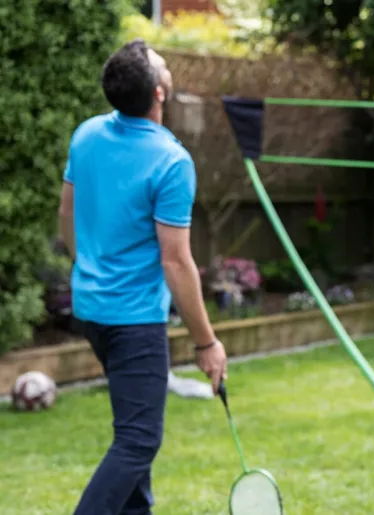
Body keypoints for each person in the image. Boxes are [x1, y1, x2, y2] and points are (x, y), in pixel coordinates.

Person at [57, 39, 228, 515]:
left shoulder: (87, 134)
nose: (167, 65)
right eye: (162, 63)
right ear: (159, 92)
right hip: (133, 322)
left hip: (89, 308)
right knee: (137, 442)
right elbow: (176, 262)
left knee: (132, 437)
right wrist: (206, 342)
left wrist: (85, 264)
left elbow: (66, 214)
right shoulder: (171, 161)